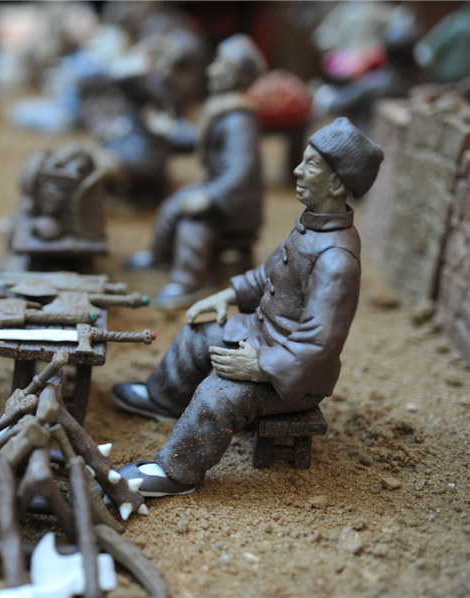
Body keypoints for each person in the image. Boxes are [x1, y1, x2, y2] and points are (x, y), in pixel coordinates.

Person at [112, 118, 383, 496]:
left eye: (310, 165)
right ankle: (164, 397)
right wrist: (229, 295)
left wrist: (260, 367)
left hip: (294, 373)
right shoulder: (311, 226)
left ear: (337, 184)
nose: (296, 170)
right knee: (197, 336)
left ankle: (176, 471)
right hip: (260, 334)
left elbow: (321, 343)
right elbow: (270, 273)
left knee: (218, 393)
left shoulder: (336, 259)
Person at [125, 34, 265, 309]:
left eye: (219, 67)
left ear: (235, 76)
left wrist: (210, 198)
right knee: (173, 205)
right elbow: (199, 138)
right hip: (218, 190)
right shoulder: (222, 109)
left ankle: (188, 282)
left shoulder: (239, 121)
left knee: (194, 226)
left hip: (235, 204)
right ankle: (159, 256)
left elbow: (241, 170)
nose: (211, 71)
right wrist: (170, 129)